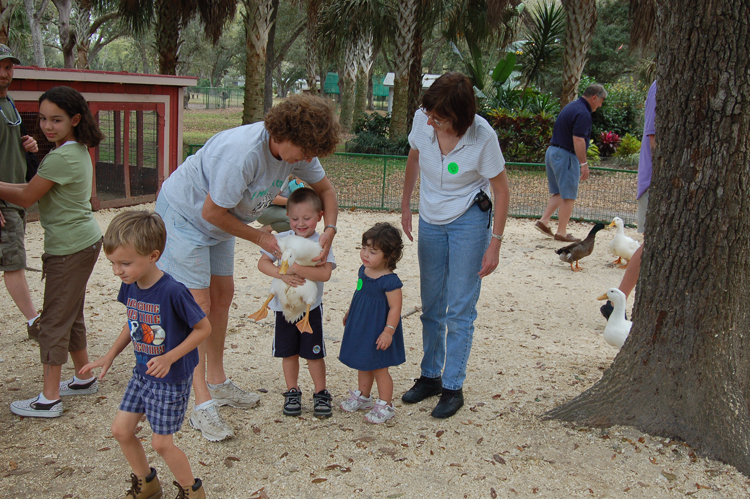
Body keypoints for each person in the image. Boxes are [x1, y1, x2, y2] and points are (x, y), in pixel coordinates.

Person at [155, 94, 340, 441]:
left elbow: (326, 190)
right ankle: (201, 404)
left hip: (224, 219)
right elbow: (210, 212)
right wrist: (258, 239)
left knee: (222, 297)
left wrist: (329, 229)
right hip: (186, 216)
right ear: (284, 136)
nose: (309, 159)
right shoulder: (241, 154)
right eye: (306, 150)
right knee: (198, 308)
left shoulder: (297, 151)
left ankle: (217, 380)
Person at [400, 72, 510, 419]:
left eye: (440, 118)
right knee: (431, 304)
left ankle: (453, 385)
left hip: (468, 219)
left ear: (460, 117)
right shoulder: (423, 119)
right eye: (429, 114)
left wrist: (495, 243)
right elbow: (414, 157)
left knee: (459, 308)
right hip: (431, 216)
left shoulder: (482, 136)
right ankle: (430, 376)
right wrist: (406, 205)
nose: (431, 122)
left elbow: (502, 190)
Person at [83, 211, 210, 499]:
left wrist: (169, 358)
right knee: (121, 430)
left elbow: (203, 328)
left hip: (170, 377)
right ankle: (148, 484)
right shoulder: (130, 283)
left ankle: (193, 492)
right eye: (113, 263)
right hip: (142, 373)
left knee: (162, 444)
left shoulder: (173, 291)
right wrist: (110, 355)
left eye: (125, 263)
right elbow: (134, 323)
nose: (118, 270)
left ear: (153, 256)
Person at [0, 86, 103, 417]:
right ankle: (84, 376)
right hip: (82, 242)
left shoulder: (61, 156)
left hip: (69, 249)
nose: (47, 126)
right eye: (43, 119)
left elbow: (26, 198)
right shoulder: (76, 149)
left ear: (74, 119)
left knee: (55, 319)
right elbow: (29, 190)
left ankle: (49, 399)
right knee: (71, 312)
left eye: (56, 120)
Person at [255, 187, 336, 417]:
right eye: (294, 218)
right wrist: (281, 275)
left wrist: (297, 268)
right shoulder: (281, 239)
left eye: (307, 218)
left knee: (314, 353)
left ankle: (321, 393)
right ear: (287, 218)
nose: (300, 223)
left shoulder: (321, 242)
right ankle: (292, 391)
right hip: (284, 309)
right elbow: (262, 263)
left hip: (310, 309)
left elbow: (325, 274)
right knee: (287, 352)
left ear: (320, 216)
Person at [339, 223, 405, 424]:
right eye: (364, 248)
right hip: (362, 324)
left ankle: (386, 404)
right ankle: (364, 396)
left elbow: (395, 308)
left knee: (379, 367)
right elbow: (358, 291)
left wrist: (388, 332)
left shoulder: (390, 281)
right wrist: (351, 311)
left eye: (373, 251)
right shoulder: (364, 271)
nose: (365, 254)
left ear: (389, 256)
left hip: (378, 329)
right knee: (362, 360)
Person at [601, 80, 656, 319]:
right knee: (652, 245)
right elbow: (653, 138)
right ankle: (616, 303)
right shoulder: (659, 87)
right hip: (656, 183)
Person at [0, 43, 41, 340]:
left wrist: (29, 147)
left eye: (8, 67)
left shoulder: (9, 102)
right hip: (4, 202)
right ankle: (33, 321)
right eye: (0, 67)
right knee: (13, 261)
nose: (5, 73)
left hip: (15, 196)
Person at [535, 84, 607, 242]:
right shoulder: (583, 113)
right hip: (566, 154)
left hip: (553, 152)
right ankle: (561, 232)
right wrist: (583, 163)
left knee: (560, 192)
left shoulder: (572, 106)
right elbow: (578, 139)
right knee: (569, 196)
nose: (601, 104)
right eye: (602, 100)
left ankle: (544, 221)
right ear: (594, 97)